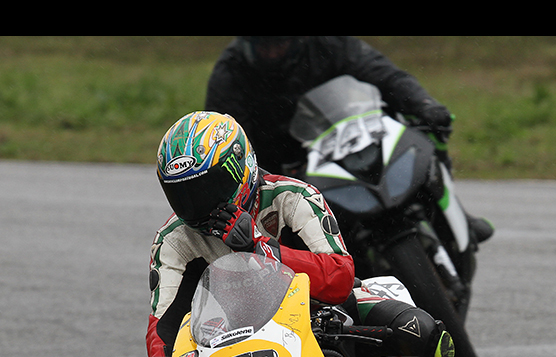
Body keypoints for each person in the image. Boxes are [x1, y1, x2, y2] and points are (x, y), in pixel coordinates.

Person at [147, 111, 480, 357]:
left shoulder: (292, 195)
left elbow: (339, 276)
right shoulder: (173, 240)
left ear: (243, 167)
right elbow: (162, 325)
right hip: (235, 341)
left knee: (423, 333)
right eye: (184, 194)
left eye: (210, 188)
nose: (200, 205)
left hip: (325, 315)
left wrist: (264, 247)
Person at [204, 36, 493, 244]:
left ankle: (458, 217)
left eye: (280, 42)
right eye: (264, 45)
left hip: (349, 140)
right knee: (284, 238)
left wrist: (423, 104)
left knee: (425, 133)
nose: (273, 51)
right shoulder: (229, 73)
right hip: (283, 168)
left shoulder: (328, 43)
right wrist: (260, 178)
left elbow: (382, 73)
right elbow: (226, 138)